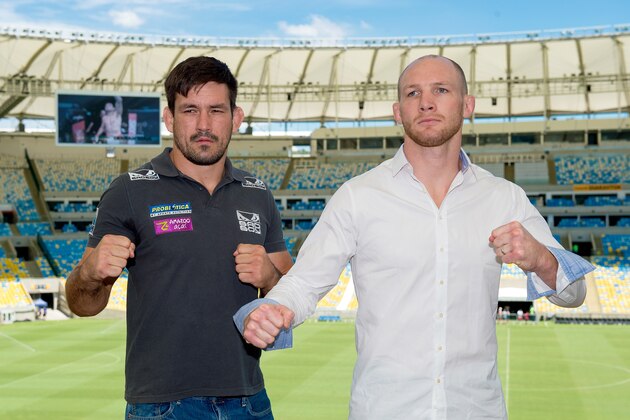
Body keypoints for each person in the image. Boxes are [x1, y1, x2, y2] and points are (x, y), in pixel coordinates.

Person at [235, 55, 595, 419]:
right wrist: (274, 309)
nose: (426, 102)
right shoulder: (359, 196)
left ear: (467, 105)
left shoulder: (504, 198)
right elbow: (305, 282)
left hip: (475, 410)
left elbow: (575, 293)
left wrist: (541, 259)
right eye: (413, 93)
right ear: (398, 111)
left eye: (441, 89)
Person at [65, 56, 293, 419]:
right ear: (170, 119)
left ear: (236, 118)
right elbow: (83, 305)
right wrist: (91, 272)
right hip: (161, 405)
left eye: (216, 110)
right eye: (190, 110)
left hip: (249, 401)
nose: (204, 124)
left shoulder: (258, 192)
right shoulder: (129, 190)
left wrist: (270, 277)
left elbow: (289, 302)